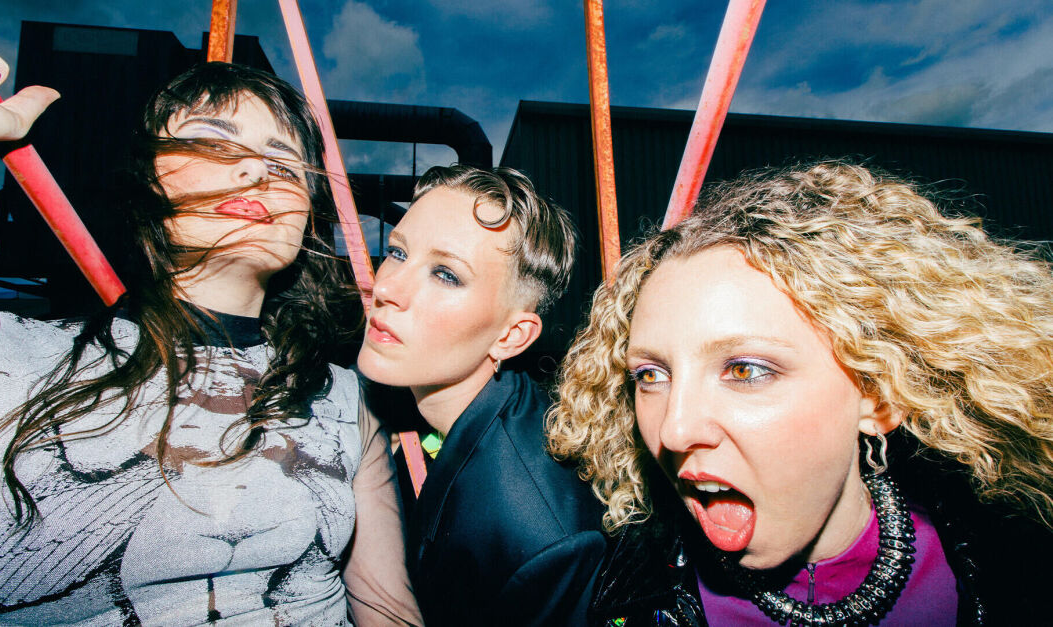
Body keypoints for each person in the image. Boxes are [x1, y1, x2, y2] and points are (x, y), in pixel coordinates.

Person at [0, 22, 419, 625]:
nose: (255, 171)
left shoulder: (346, 399)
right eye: (214, 142)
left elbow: (385, 606)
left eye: (284, 162)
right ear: (149, 178)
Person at [547, 161, 1053, 626]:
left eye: (745, 370)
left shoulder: (1019, 570)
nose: (674, 430)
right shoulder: (603, 593)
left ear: (878, 396)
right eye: (651, 375)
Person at [356, 165, 605, 626]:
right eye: (397, 252)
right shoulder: (440, 413)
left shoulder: (534, 537)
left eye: (445, 274)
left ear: (510, 336)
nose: (386, 287)